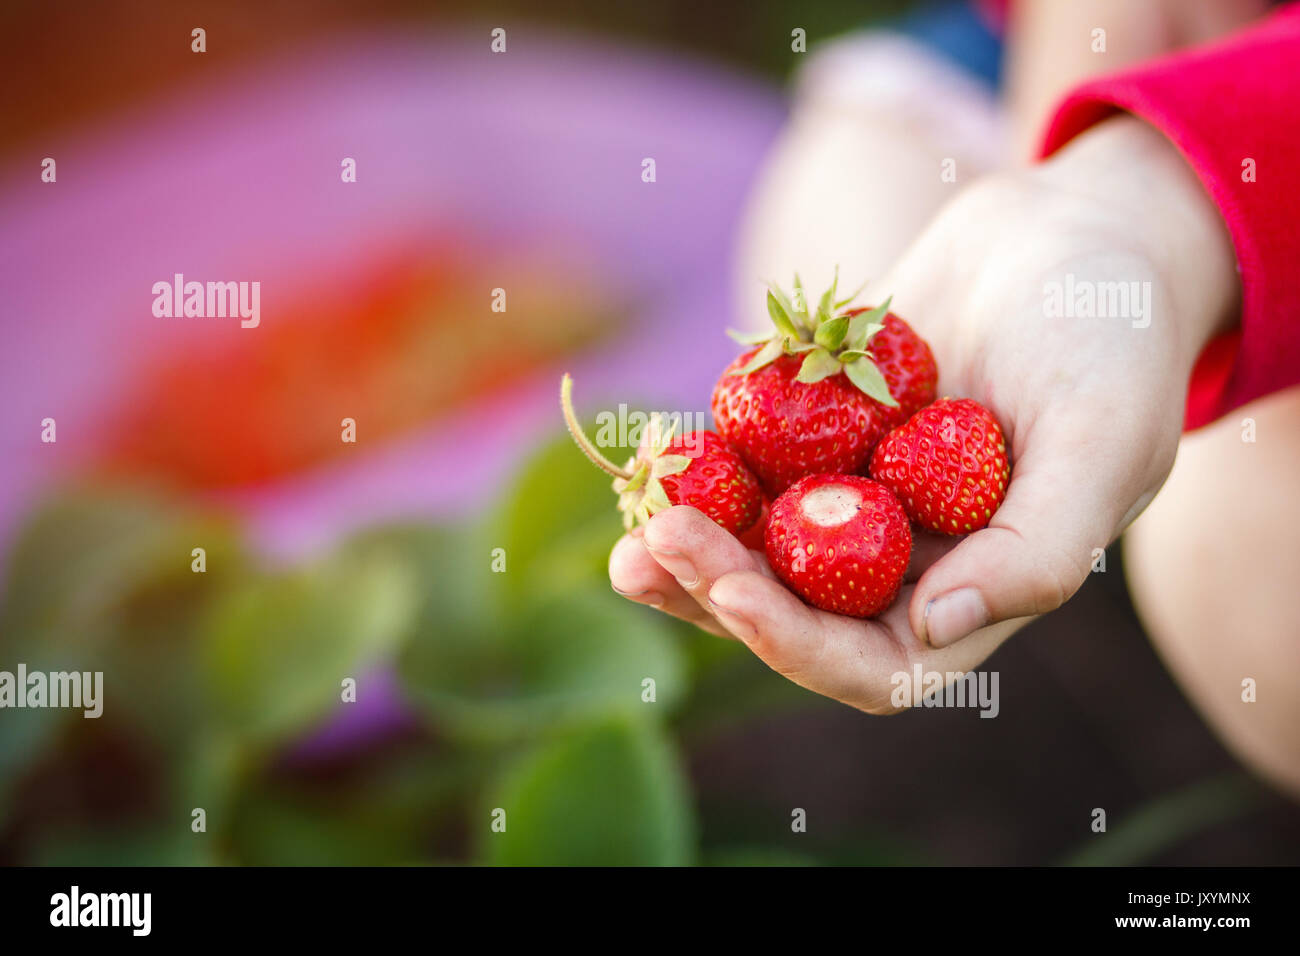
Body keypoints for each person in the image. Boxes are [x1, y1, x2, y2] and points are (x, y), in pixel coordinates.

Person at [608, 0, 1300, 795]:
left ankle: (1111, 495)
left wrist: (1146, 202)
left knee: (1250, 580)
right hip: (1031, 52)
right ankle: (1073, 507)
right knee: (843, 203)